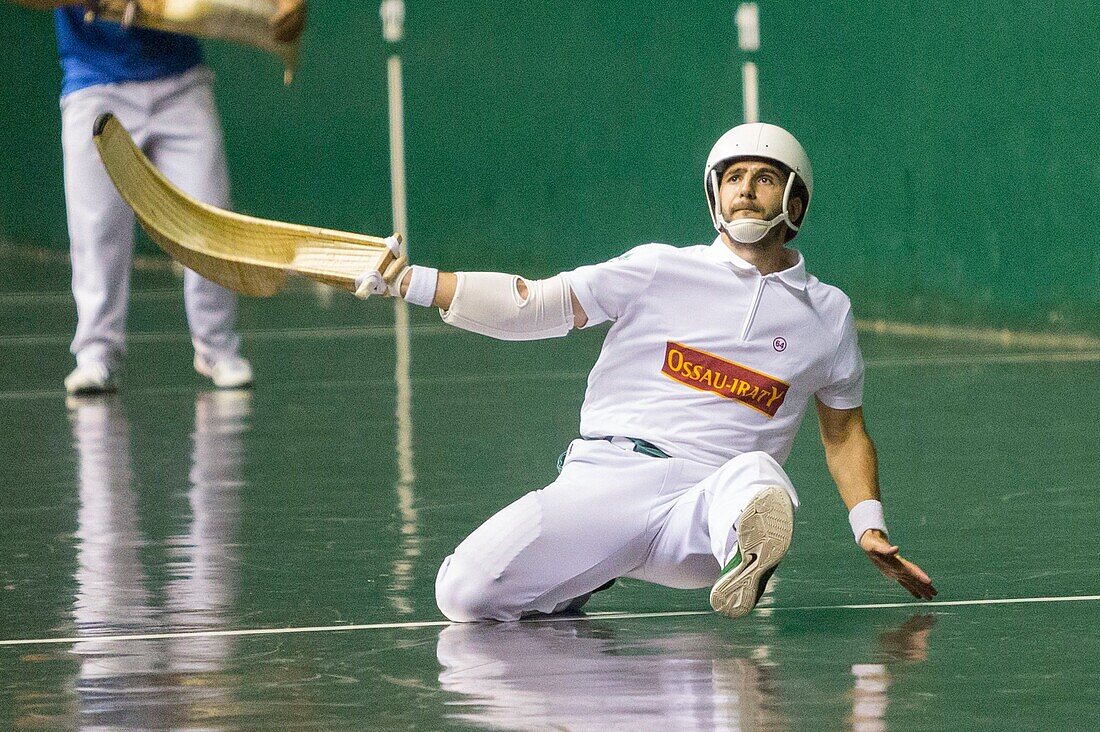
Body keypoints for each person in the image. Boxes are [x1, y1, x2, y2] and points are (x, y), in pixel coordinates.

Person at [357, 122, 938, 622]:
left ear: (795, 200)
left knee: (756, 475)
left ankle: (748, 552)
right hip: (607, 480)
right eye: (732, 178)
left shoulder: (828, 314)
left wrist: (869, 526)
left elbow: (844, 433)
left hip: (705, 511)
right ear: (714, 194)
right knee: (462, 593)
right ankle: (581, 576)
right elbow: (532, 304)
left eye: (763, 178)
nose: (745, 190)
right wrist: (411, 282)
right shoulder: (657, 267)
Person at [7, 0, 308, 394]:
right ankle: (96, 354)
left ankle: (218, 348)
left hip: (181, 84)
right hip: (94, 85)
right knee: (97, 229)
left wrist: (290, 3)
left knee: (211, 217)